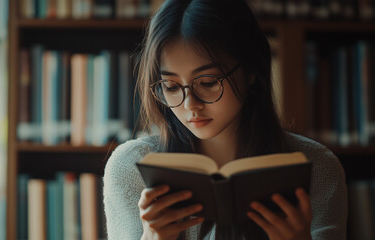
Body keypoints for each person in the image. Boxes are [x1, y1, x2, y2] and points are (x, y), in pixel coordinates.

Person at [103, 0, 348, 239]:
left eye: (208, 82)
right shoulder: (130, 168)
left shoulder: (317, 168)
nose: (190, 105)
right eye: (171, 86)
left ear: (251, 70)